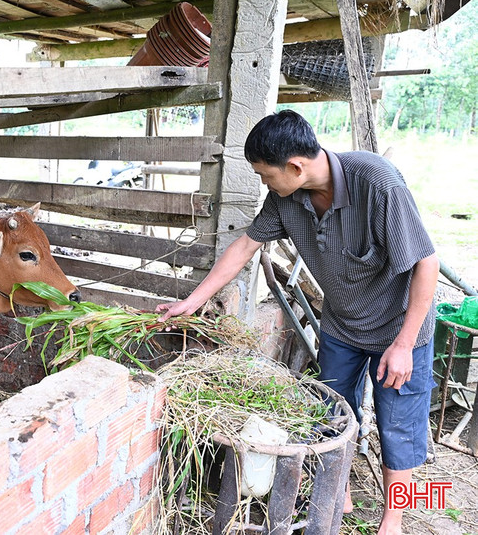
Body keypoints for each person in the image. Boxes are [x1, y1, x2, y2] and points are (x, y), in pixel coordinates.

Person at [157, 110, 439, 535]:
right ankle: (337, 491)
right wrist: (193, 302)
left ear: (295, 166)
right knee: (329, 412)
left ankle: (394, 519)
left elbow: (426, 263)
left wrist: (404, 344)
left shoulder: (378, 183)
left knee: (400, 428)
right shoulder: (287, 197)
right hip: (342, 326)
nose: (263, 184)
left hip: (399, 328)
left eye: (265, 175)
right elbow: (245, 246)